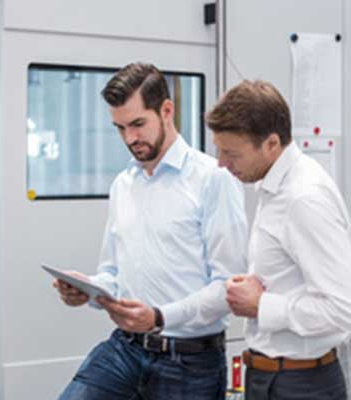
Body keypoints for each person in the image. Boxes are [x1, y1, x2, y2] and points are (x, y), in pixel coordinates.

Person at [53, 62, 248, 400]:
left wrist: (159, 317)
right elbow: (113, 273)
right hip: (125, 350)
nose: (130, 138)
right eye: (120, 128)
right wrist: (89, 289)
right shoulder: (123, 185)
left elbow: (228, 287)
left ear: (167, 110)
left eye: (138, 124)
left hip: (190, 362)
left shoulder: (213, 179)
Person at [208, 80, 351, 399]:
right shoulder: (274, 189)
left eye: (231, 153)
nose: (221, 163)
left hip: (301, 385)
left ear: (271, 143)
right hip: (272, 378)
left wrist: (262, 305)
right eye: (219, 150)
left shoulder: (302, 199)